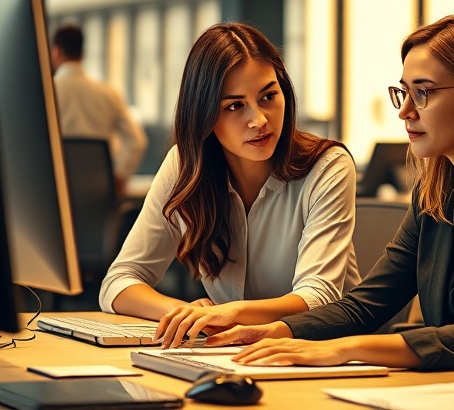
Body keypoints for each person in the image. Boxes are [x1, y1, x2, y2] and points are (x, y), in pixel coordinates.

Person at [207, 13, 454, 381]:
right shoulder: (435, 198)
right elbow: (365, 306)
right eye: (404, 93)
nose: (405, 113)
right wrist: (276, 331)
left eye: (424, 93)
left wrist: (340, 349)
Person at [99, 22, 361, 346]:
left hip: (322, 352)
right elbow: (119, 282)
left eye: (268, 96)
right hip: (233, 355)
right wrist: (186, 315)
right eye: (235, 106)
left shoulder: (328, 167)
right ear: (204, 115)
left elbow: (318, 296)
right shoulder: (184, 167)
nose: (260, 120)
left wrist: (229, 313)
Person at [51, 24, 147, 195]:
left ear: (56, 52)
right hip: (99, 191)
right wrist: (119, 176)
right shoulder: (107, 94)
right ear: (82, 54)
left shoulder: (46, 93)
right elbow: (137, 141)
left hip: (56, 189)